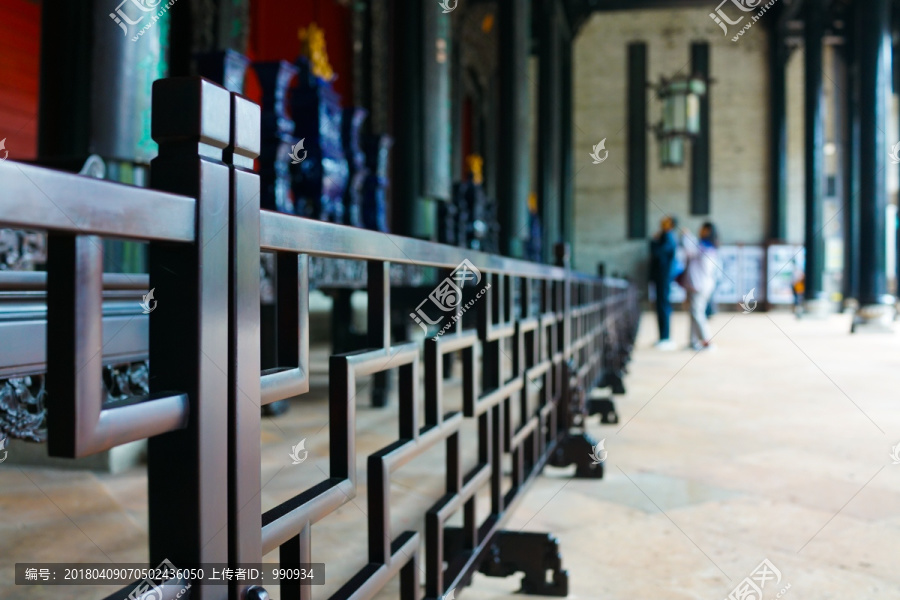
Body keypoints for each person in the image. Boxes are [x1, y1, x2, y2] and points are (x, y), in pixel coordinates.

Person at [681, 222, 720, 351]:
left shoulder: (704, 247)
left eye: (703, 229)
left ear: (708, 231)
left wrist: (687, 236)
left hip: (700, 285)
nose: (700, 230)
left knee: (697, 313)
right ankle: (693, 342)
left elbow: (690, 248)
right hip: (699, 285)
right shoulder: (707, 246)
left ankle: (706, 341)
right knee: (694, 312)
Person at [649, 216, 680, 350]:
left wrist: (654, 242)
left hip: (663, 276)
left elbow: (658, 253)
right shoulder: (665, 236)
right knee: (661, 305)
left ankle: (665, 337)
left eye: (666, 221)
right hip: (661, 277)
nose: (662, 221)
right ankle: (663, 337)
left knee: (663, 306)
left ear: (671, 224)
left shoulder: (668, 237)